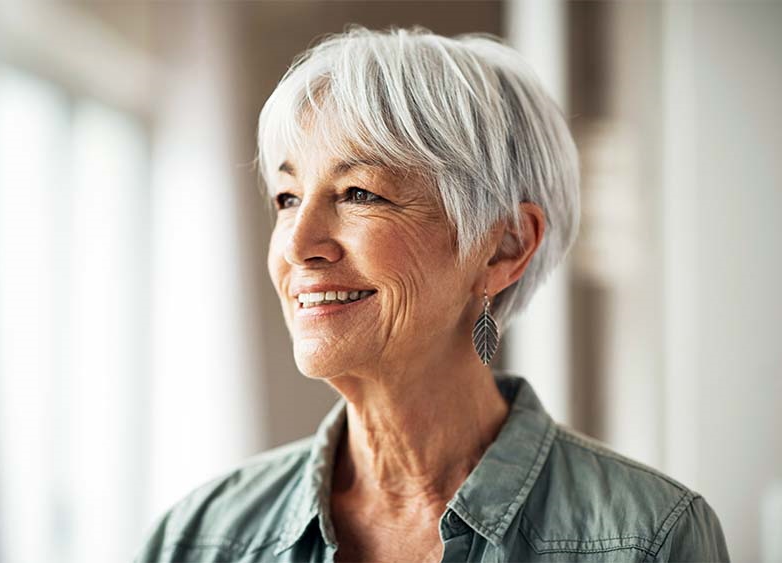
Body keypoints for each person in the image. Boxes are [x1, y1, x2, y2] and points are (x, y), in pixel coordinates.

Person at [135, 26, 729, 562]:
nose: (298, 245)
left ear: (503, 248)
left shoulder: (650, 537)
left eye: (358, 193)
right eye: (288, 198)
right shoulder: (199, 537)